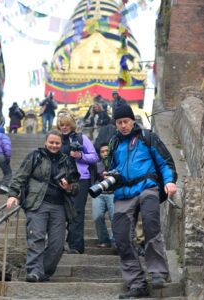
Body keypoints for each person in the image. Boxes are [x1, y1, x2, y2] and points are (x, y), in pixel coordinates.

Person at [105, 104, 177, 299]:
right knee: (121, 237)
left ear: (132, 121)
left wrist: (169, 181)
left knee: (151, 225)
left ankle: (159, 273)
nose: (123, 126)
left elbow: (165, 161)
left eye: (126, 121)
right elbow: (111, 167)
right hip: (123, 192)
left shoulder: (147, 137)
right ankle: (136, 283)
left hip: (148, 187)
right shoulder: (114, 143)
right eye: (119, 123)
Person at [6, 130, 80, 282]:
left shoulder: (67, 161)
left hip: (59, 206)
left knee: (57, 245)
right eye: (51, 142)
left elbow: (76, 186)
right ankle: (34, 271)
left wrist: (69, 187)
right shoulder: (35, 156)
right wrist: (13, 194)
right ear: (45, 142)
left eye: (57, 143)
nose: (54, 145)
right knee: (36, 238)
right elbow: (20, 176)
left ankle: (43, 272)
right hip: (37, 204)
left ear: (61, 144)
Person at [57, 113, 99, 254]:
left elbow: (94, 157)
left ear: (72, 125)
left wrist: (81, 156)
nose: (64, 127)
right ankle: (58, 245)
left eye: (67, 124)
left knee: (77, 212)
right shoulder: (57, 140)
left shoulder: (82, 138)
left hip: (81, 179)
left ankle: (76, 247)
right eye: (62, 125)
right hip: (62, 179)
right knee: (60, 212)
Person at [92, 143, 116, 249]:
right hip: (99, 193)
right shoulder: (97, 165)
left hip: (113, 193)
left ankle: (116, 242)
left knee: (115, 217)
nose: (105, 153)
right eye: (102, 152)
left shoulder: (116, 163)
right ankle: (104, 240)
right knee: (97, 216)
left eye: (107, 151)